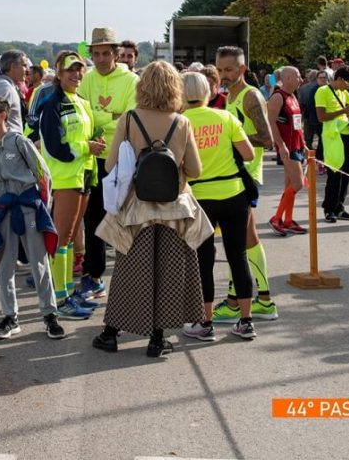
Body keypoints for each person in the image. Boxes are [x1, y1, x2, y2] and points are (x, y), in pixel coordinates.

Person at [92, 61, 206, 358]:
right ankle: (157, 339)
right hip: (174, 210)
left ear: (142, 87)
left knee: (130, 273)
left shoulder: (129, 119)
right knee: (169, 274)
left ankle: (111, 333)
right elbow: (195, 169)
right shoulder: (182, 123)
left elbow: (110, 165)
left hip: (136, 209)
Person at [0, 97, 65, 340]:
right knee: (5, 266)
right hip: (4, 211)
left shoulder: (19, 142)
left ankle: (49, 315)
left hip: (28, 208)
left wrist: (41, 207)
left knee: (38, 263)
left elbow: (43, 174)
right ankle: (9, 317)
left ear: (3, 115)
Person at [179, 73, 258, 342]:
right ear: (208, 92)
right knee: (238, 256)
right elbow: (248, 154)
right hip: (234, 193)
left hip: (199, 197)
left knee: (204, 259)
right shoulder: (225, 117)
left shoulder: (180, 123)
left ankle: (205, 322)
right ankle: (246, 321)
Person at [214, 46, 278, 321]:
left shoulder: (250, 96)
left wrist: (232, 141)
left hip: (246, 176)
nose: (223, 75)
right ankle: (258, 299)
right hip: (236, 175)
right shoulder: (230, 96)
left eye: (228, 70)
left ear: (242, 69)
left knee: (238, 241)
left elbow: (267, 140)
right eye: (219, 70)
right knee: (244, 239)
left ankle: (247, 301)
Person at [38, 52, 102, 320]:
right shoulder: (51, 103)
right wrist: (86, 146)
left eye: (79, 70)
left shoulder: (82, 101)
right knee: (62, 238)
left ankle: (66, 291)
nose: (76, 74)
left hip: (85, 175)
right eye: (70, 70)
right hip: (65, 177)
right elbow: (53, 147)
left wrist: (95, 140)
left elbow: (89, 133)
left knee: (71, 237)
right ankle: (59, 298)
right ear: (59, 73)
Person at [78, 27, 139, 298]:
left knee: (124, 218)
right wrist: (109, 116)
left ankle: (131, 278)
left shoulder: (130, 80)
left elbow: (129, 118)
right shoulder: (86, 79)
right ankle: (93, 275)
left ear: (116, 54)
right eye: (96, 53)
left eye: (106, 53)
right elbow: (82, 114)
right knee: (93, 221)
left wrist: (98, 117)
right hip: (93, 157)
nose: (101, 58)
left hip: (122, 158)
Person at [317, 66, 349, 223]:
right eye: (347, 84)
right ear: (340, 79)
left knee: (345, 175)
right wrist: (344, 111)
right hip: (332, 138)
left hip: (346, 137)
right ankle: (329, 209)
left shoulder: (343, 92)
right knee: (334, 175)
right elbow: (321, 116)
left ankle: (339, 208)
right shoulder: (323, 91)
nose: (348, 87)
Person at [267, 66, 307, 237]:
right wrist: (281, 145)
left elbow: (297, 123)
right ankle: (276, 218)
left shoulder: (293, 97)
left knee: (289, 185)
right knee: (298, 183)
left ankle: (288, 220)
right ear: (288, 78)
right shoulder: (278, 96)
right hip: (287, 147)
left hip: (296, 145)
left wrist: (303, 142)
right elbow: (270, 122)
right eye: (297, 76)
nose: (300, 79)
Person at [0, 50, 29, 134]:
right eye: (24, 65)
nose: (27, 70)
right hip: (5, 145)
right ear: (13, 67)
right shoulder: (5, 87)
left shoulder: (5, 85)